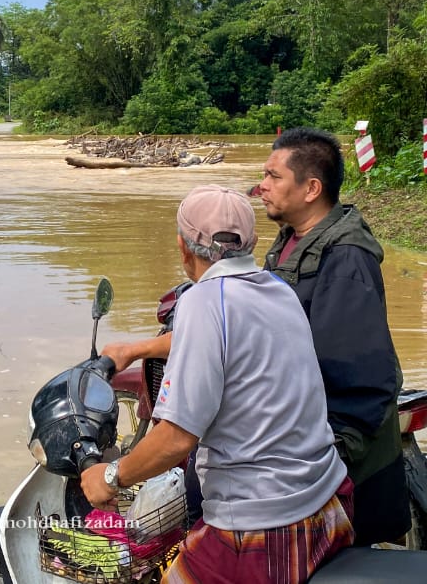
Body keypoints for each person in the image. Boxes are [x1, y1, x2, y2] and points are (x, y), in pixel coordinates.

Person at [81, 185, 354, 583]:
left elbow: (176, 438)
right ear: (253, 243)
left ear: (182, 246)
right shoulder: (277, 288)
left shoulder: (201, 301)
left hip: (262, 524)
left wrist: (110, 475)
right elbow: (227, 338)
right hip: (329, 501)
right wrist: (139, 349)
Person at [258, 127, 409, 546]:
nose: (261, 186)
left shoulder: (345, 257)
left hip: (336, 447)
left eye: (273, 177)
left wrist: (333, 457)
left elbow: (355, 372)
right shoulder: (293, 237)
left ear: (311, 189)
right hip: (299, 423)